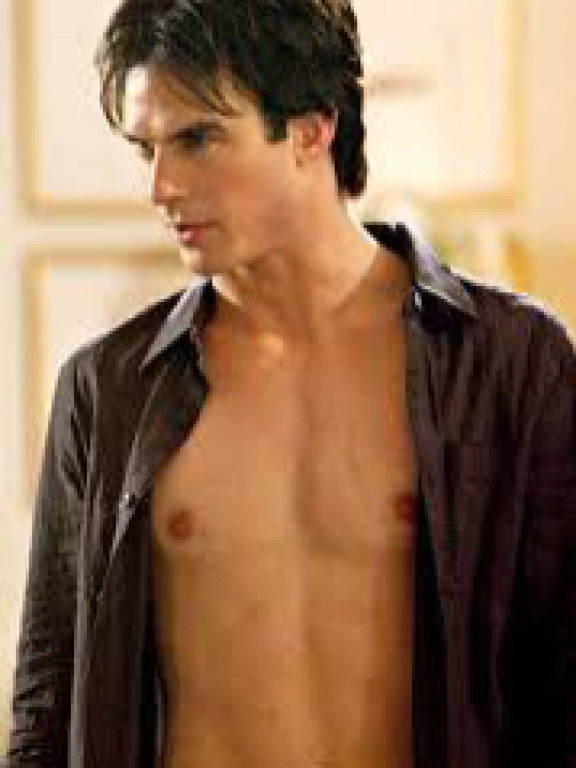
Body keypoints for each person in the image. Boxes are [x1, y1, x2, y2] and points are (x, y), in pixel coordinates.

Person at [5, 0, 575, 766]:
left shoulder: (513, 363)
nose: (160, 187)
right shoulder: (106, 390)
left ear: (312, 128)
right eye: (147, 150)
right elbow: (45, 708)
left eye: (197, 139)